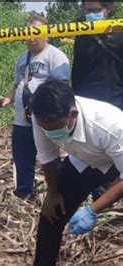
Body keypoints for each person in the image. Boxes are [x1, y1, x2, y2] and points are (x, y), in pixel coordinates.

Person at [30, 80, 123, 265]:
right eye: (45, 127)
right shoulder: (41, 118)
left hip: (115, 158)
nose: (49, 132)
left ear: (73, 114)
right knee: (51, 214)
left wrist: (93, 209)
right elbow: (48, 157)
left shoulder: (110, 125)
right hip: (84, 159)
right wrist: (53, 193)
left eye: (55, 127)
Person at [0, 15, 70, 200]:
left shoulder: (55, 56)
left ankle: (58, 194)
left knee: (50, 159)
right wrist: (6, 99)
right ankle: (24, 193)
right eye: (28, 34)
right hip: (22, 121)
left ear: (47, 35)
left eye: (36, 33)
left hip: (44, 120)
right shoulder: (22, 59)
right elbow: (17, 85)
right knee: (22, 159)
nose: (32, 38)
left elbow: (60, 87)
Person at [72, 0, 123, 200]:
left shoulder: (120, 33)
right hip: (90, 101)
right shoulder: (83, 36)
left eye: (95, 10)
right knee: (95, 150)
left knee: (118, 146)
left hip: (117, 98)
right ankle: (99, 193)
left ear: (108, 10)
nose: (90, 14)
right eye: (87, 11)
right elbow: (78, 69)